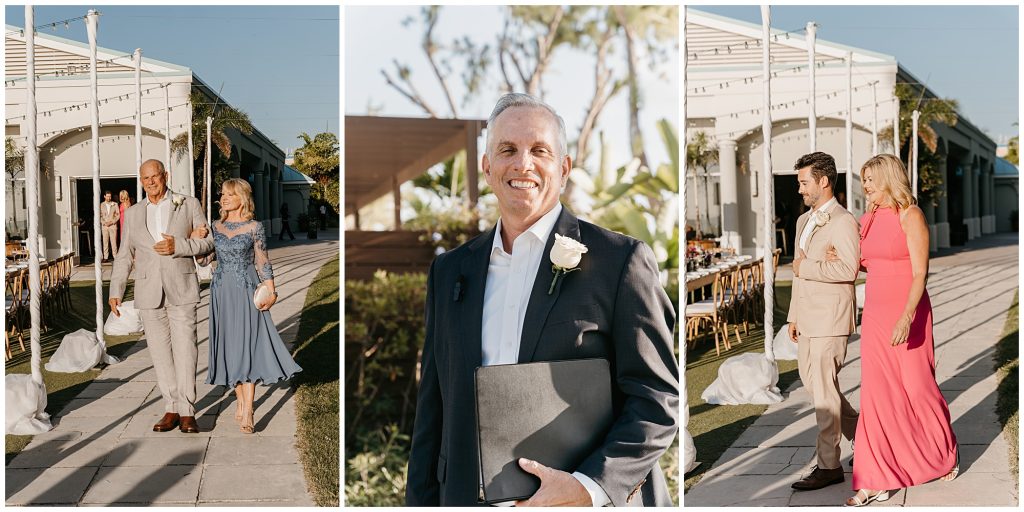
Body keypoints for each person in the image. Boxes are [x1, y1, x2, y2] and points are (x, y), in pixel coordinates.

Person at [406, 93, 678, 507]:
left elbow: (657, 400)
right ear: (487, 166)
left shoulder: (620, 262)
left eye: (539, 151)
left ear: (563, 168)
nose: (523, 164)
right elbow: (433, 412)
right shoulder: (449, 273)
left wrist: (588, 487)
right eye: (508, 150)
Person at [827, 154, 958, 507]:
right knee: (877, 395)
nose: (865, 186)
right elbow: (863, 265)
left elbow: (920, 273)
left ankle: (944, 450)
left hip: (909, 312)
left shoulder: (910, 215)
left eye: (870, 179)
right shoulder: (866, 219)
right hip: (876, 314)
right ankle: (875, 479)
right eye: (863, 180)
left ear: (888, 178)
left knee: (918, 387)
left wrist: (906, 316)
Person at [109, 159, 214, 434]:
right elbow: (124, 256)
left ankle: (188, 411)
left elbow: (207, 242)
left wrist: (177, 245)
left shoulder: (188, 204)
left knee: (186, 350)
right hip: (148, 292)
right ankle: (171, 407)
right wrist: (115, 291)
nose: (151, 182)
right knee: (159, 354)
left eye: (155, 176)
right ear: (141, 181)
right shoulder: (132, 213)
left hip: (181, 289)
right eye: (146, 178)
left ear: (165, 176)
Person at [194, 179, 301, 434]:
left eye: (230, 194)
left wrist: (272, 291)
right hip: (221, 293)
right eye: (223, 194)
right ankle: (241, 401)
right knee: (232, 349)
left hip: (246, 291)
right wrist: (195, 240)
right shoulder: (215, 227)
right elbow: (204, 259)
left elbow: (263, 261)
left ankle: (249, 408)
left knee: (248, 346)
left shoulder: (255, 227)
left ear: (242, 197)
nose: (224, 198)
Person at [788, 151, 860, 492]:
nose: (800, 189)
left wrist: (808, 268)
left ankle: (829, 465)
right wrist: (793, 316)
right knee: (817, 387)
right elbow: (798, 274)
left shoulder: (844, 221)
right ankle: (865, 437)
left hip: (831, 317)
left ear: (823, 181)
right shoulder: (804, 221)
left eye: (804, 182)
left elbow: (848, 270)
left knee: (824, 394)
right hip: (807, 319)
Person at [100, 190, 120, 262]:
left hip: (113, 226)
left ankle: (115, 256)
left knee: (113, 242)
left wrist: (112, 222)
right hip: (105, 226)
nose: (109, 198)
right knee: (105, 242)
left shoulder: (115, 204)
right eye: (107, 196)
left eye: (110, 196)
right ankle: (105, 257)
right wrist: (104, 222)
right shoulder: (101, 205)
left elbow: (118, 215)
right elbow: (99, 215)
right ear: (104, 196)